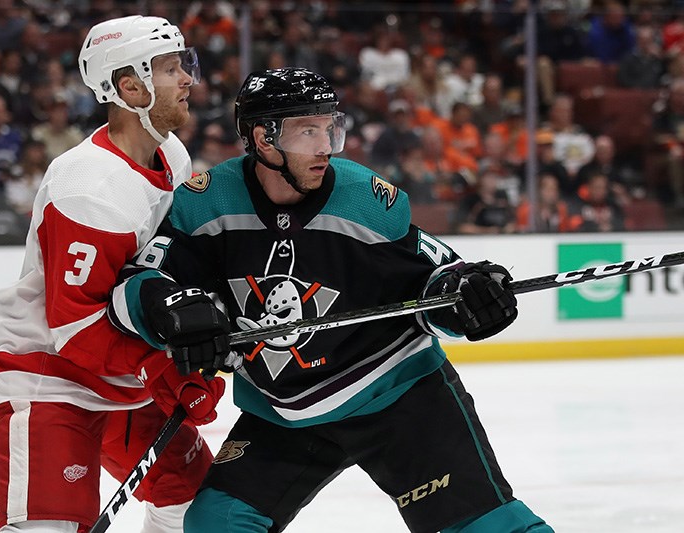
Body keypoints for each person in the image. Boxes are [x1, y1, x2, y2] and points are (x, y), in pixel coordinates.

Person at [108, 68, 554, 533]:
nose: (325, 146)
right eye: (308, 131)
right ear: (263, 138)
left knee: (488, 529)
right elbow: (137, 281)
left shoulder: (365, 201)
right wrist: (171, 310)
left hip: (396, 400)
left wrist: (469, 299)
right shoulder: (206, 203)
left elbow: (437, 284)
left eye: (329, 128)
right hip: (284, 413)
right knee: (216, 524)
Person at [0, 15, 235, 533]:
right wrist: (170, 371)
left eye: (184, 65)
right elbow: (75, 328)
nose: (188, 78)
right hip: (51, 375)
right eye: (170, 68)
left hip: (120, 374)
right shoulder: (90, 189)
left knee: (196, 504)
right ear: (130, 86)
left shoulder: (171, 154)